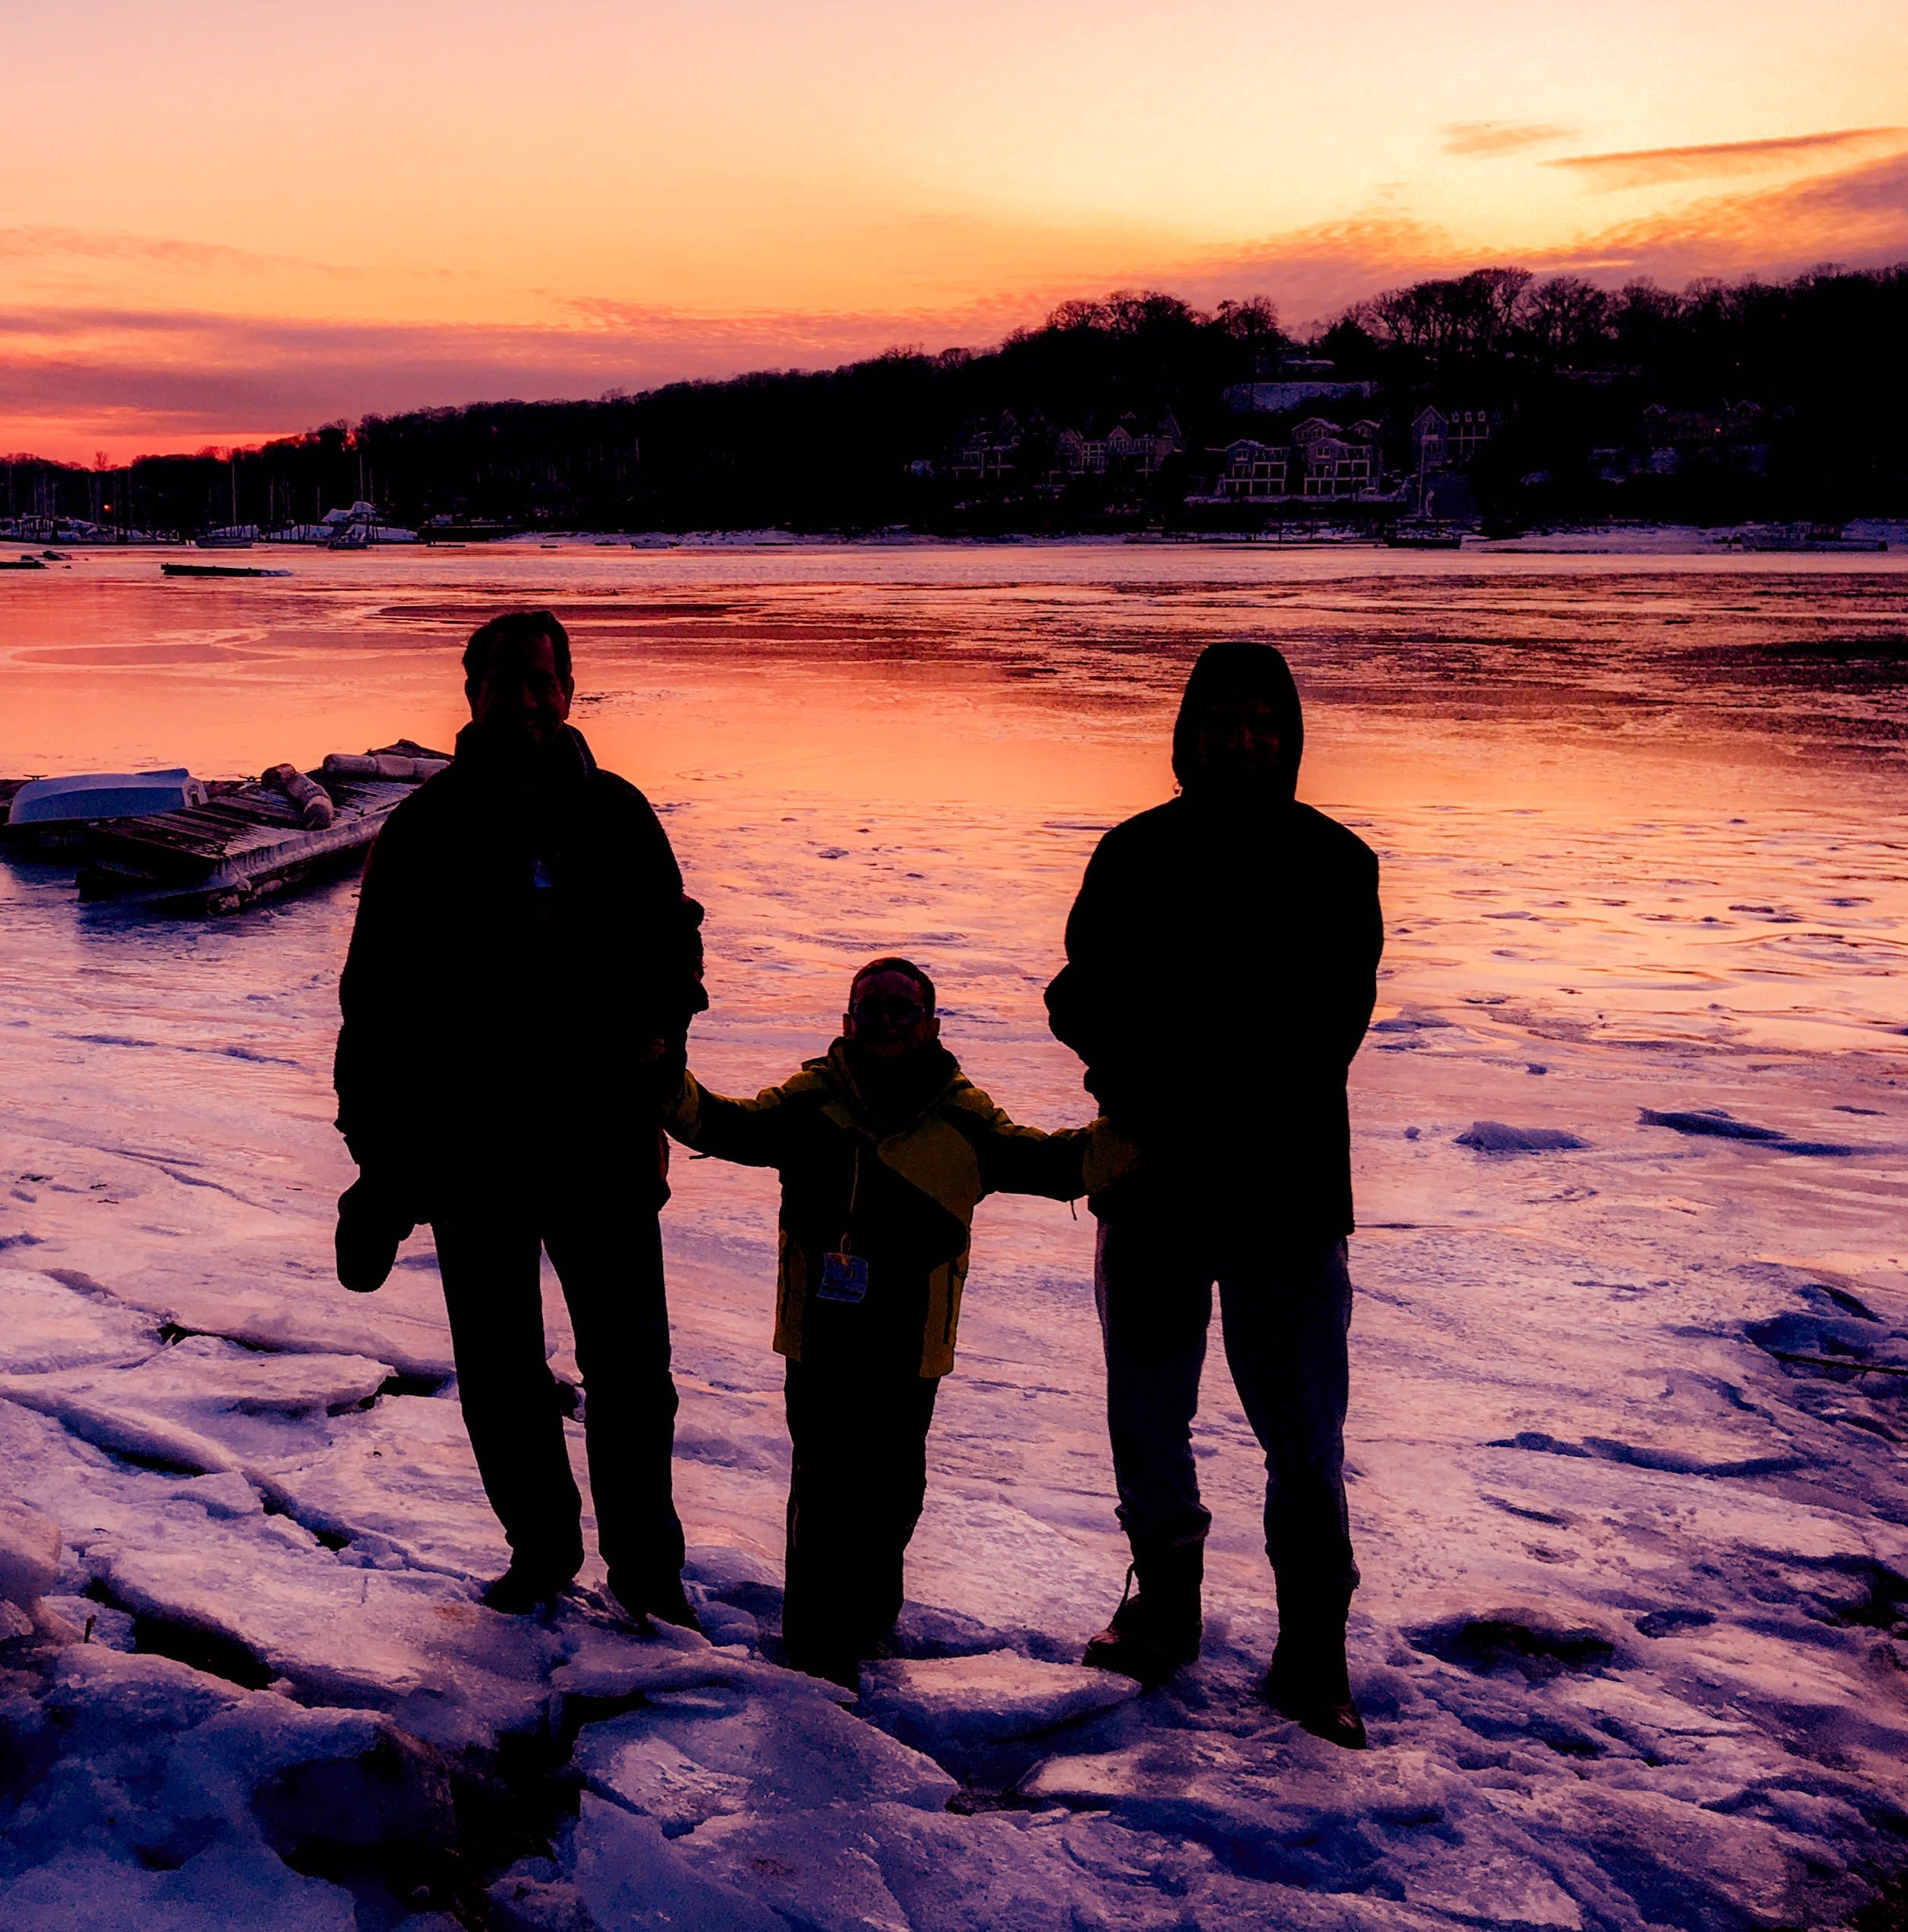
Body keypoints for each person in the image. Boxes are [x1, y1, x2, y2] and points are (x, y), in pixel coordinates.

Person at [332, 609, 707, 1624]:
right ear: (474, 697)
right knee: (500, 1375)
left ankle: (646, 1571)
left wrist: (659, 1058)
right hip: (475, 1152)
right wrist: (378, 1157)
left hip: (600, 1147)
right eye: (510, 683)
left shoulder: (620, 818)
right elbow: (375, 1002)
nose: (531, 700)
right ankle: (541, 1548)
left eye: (547, 681)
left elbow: (675, 958)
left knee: (633, 1375)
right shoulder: (424, 832)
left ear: (570, 692)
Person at [1045, 640, 1384, 1747]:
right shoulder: (1134, 854)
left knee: (1303, 1437)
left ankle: (1312, 1648)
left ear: (1289, 737)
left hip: (1286, 1192)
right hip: (1151, 1181)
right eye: (1224, 722)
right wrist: (1134, 1081)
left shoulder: (1336, 866)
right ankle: (1165, 1603)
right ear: (1187, 734)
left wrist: (1185, 1059)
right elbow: (1081, 994)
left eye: (1264, 724)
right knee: (1147, 1410)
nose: (1245, 741)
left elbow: (1323, 1029)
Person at [665, 958, 1130, 1688]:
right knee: (822, 1485)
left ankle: (870, 1622)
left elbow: (1056, 1166)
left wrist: (1135, 1126)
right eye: (872, 1008)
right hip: (821, 1334)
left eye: (901, 1010)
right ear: (849, 1022)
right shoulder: (812, 1103)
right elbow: (725, 1125)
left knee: (891, 1488)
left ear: (931, 1025)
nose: (885, 1020)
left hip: (909, 1342)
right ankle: (815, 1647)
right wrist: (664, 1072)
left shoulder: (959, 1115)